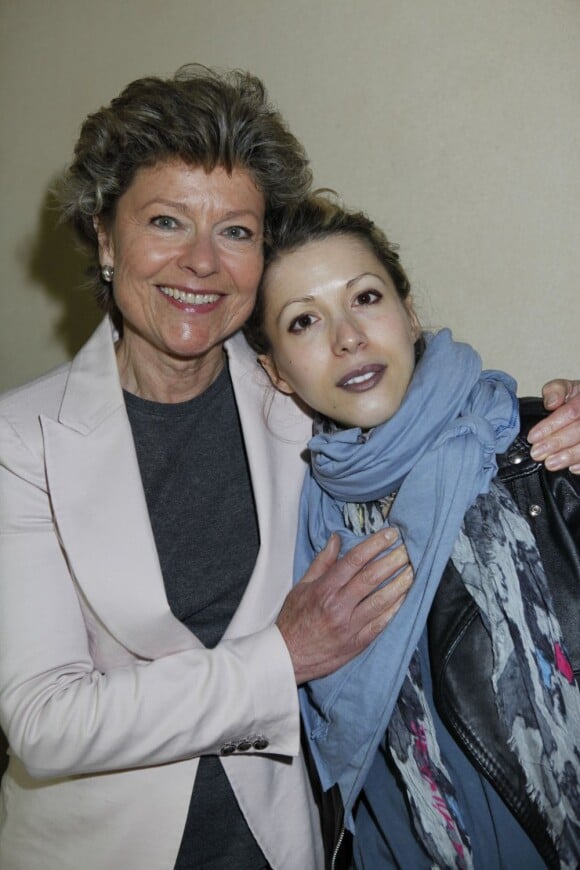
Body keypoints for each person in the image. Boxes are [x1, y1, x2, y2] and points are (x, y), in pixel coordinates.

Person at [0, 67, 577, 870]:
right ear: (104, 236)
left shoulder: (299, 397)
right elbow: (45, 721)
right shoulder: (22, 440)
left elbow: (433, 405)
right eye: (167, 221)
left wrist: (560, 415)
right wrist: (283, 656)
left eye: (235, 231)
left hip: (291, 846)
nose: (202, 262)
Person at [244, 193, 580, 869]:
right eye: (304, 320)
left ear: (410, 313)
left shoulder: (541, 451)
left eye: (365, 298)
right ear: (277, 373)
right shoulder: (296, 525)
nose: (348, 337)